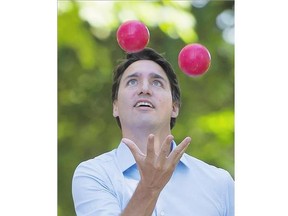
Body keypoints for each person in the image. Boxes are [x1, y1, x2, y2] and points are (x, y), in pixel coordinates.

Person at [72, 48, 234, 216]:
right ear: (115, 107)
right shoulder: (94, 174)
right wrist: (149, 188)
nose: (144, 89)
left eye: (157, 82)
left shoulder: (220, 183)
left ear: (174, 108)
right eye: (132, 81)